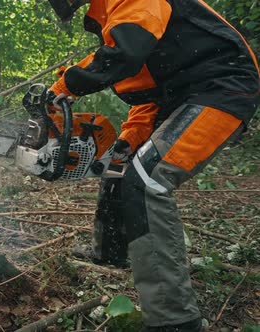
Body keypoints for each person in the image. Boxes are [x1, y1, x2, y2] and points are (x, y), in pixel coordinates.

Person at [46, 0, 260, 331]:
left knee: (148, 180)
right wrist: (128, 138)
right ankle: (110, 251)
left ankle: (174, 319)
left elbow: (127, 56)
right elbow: (146, 86)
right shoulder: (115, 17)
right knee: (120, 162)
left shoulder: (133, 4)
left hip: (221, 87)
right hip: (178, 95)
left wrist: (68, 87)